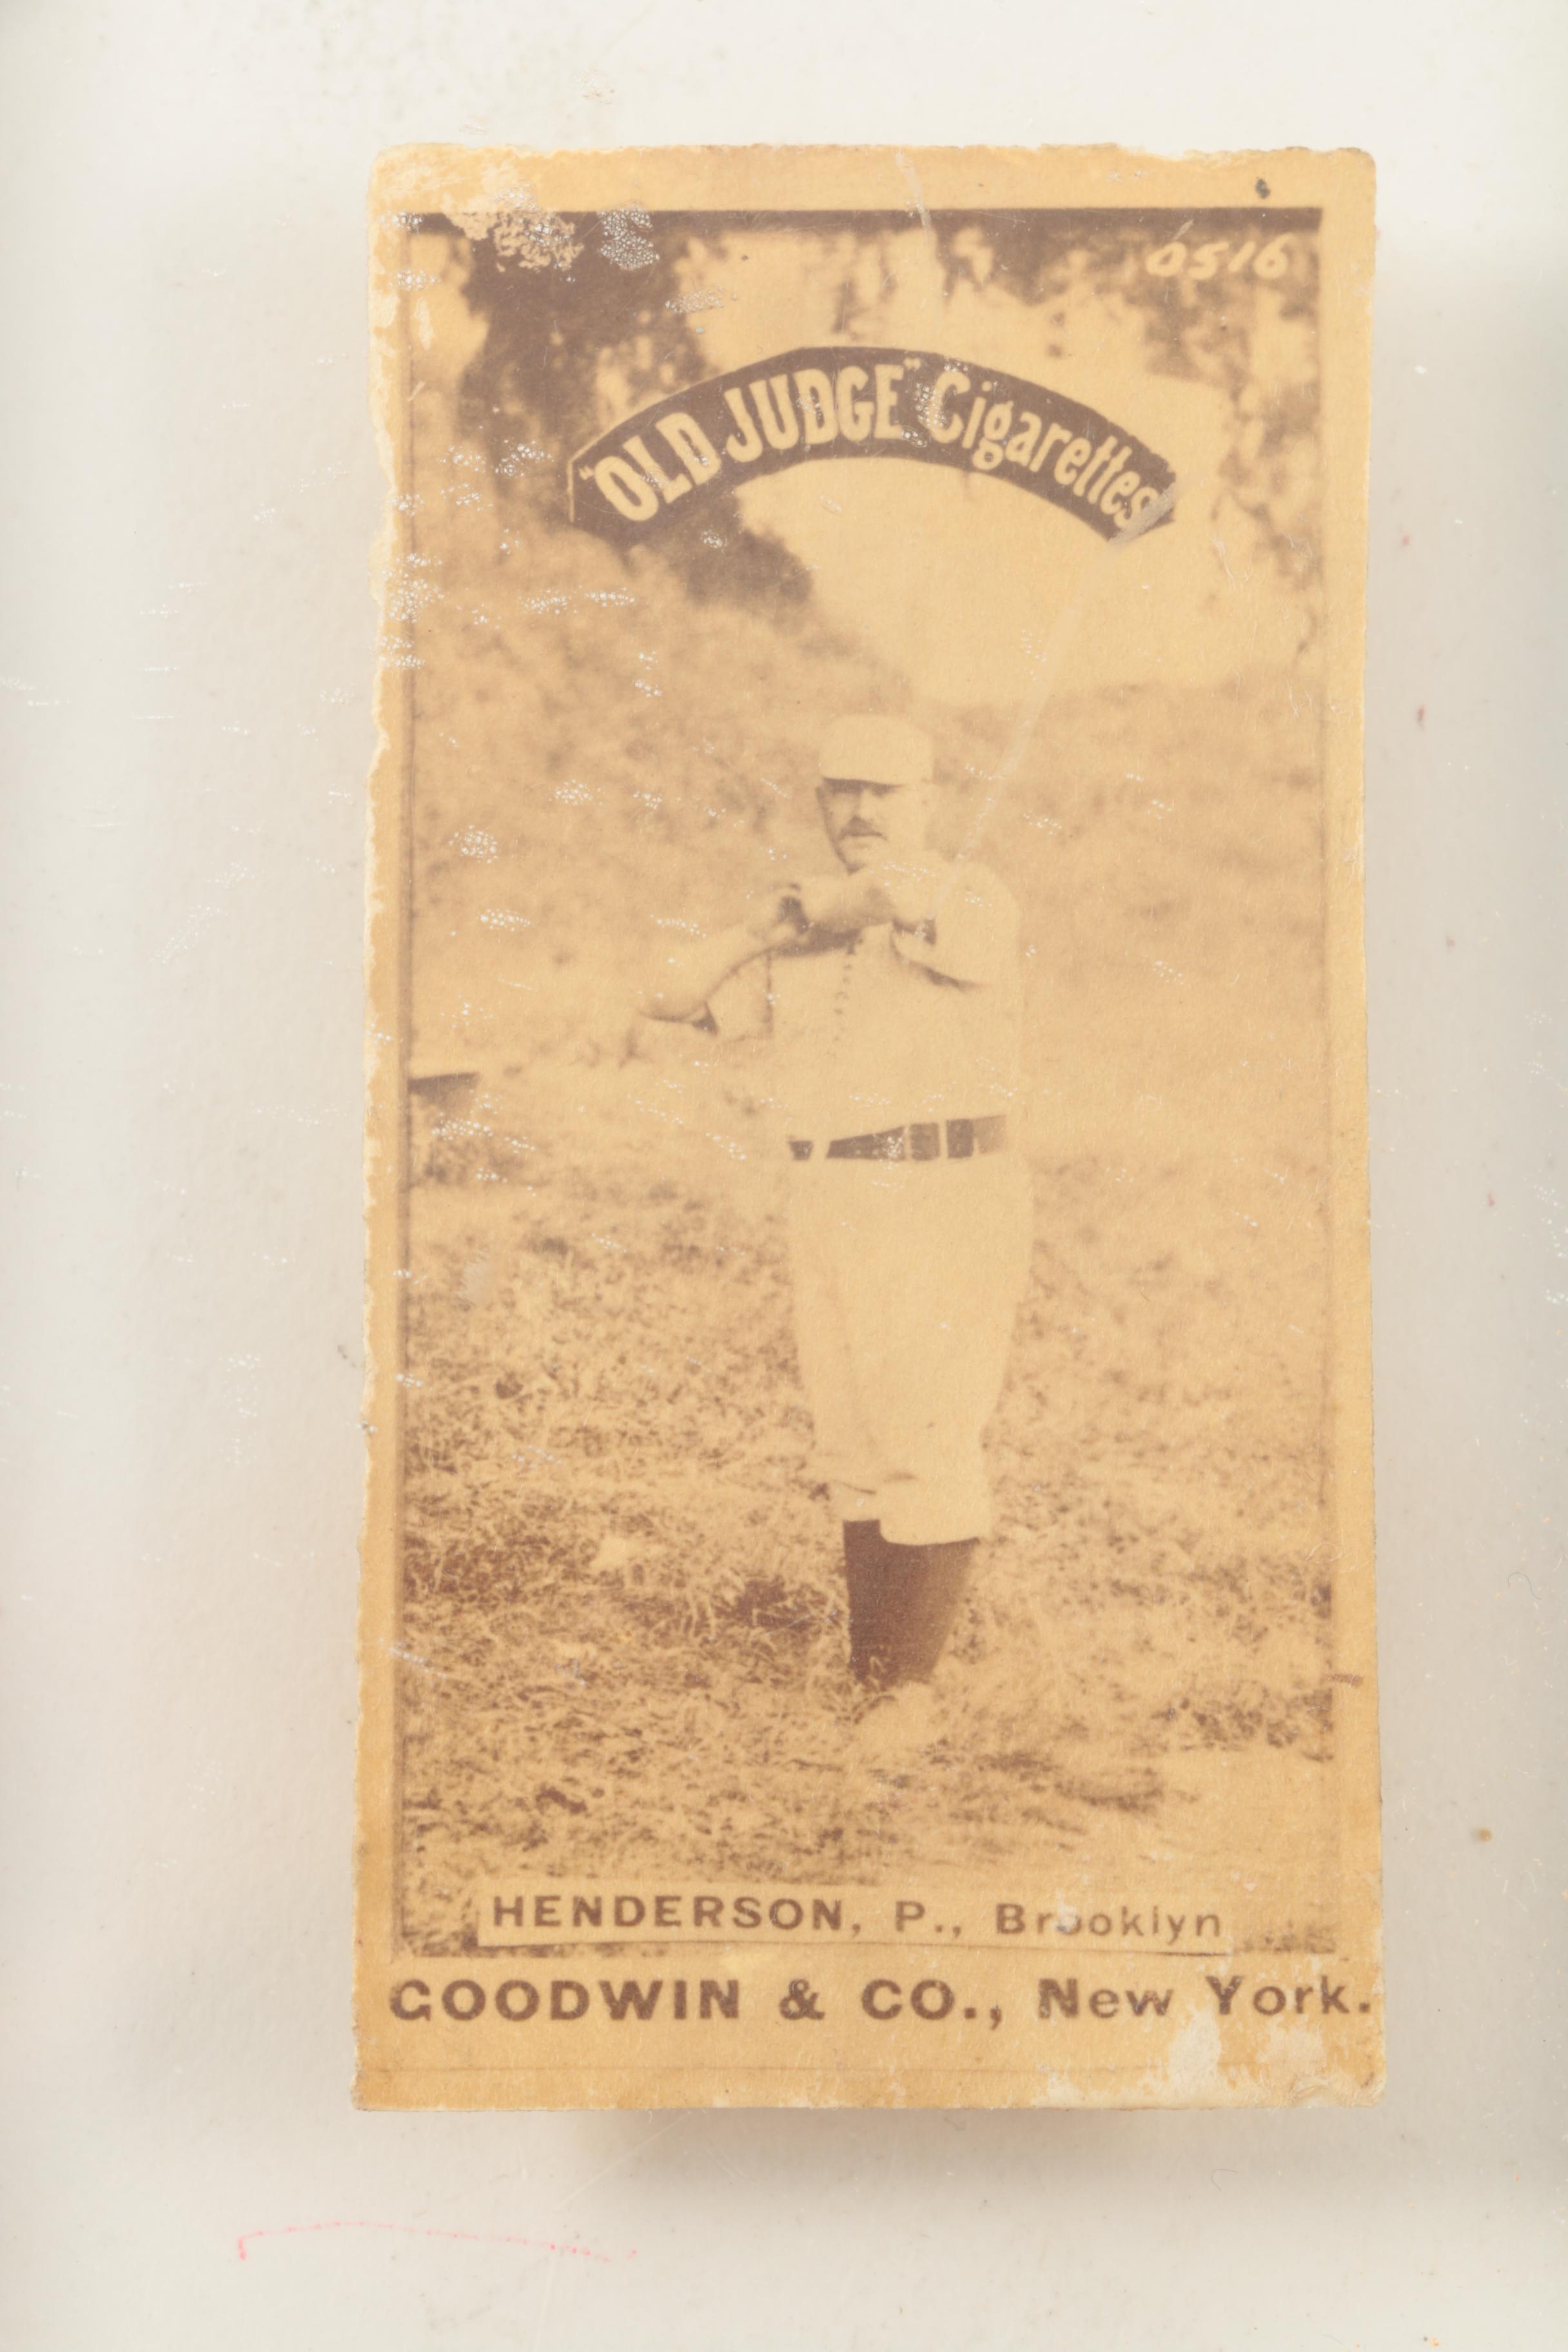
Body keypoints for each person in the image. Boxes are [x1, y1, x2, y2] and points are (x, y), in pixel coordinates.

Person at [640, 714, 1031, 1756]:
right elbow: (670, 997)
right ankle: (876, 1682)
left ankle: (911, 1695)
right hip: (831, 1197)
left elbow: (907, 902)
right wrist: (762, 928)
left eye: (884, 793)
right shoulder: (807, 934)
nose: (858, 812)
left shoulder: (971, 895)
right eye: (840, 792)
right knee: (852, 1441)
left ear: (929, 801)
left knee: (928, 1431)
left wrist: (829, 905)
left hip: (943, 1188)